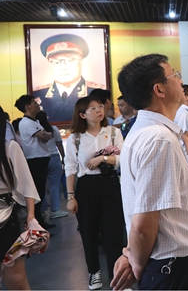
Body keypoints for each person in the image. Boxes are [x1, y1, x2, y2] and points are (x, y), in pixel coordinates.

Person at [110, 54, 188, 291]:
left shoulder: (149, 131)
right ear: (159, 89)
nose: (180, 81)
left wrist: (131, 254)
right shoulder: (158, 138)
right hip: (174, 266)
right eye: (175, 75)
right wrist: (136, 264)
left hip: (171, 263)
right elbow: (144, 223)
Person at [64, 96, 125, 290]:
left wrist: (103, 158)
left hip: (110, 184)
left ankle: (117, 276)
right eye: (93, 108)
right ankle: (94, 272)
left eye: (100, 106)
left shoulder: (113, 132)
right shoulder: (75, 138)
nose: (99, 110)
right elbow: (70, 167)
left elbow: (124, 158)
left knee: (114, 232)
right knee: (89, 231)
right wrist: (71, 197)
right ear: (82, 114)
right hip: (86, 186)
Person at [0, 106, 40, 290]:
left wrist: (31, 217)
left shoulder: (10, 147)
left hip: (7, 218)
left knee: (16, 278)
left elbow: (27, 184)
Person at [33, 34, 102, 122]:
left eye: (70, 60)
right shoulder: (37, 94)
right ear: (49, 64)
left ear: (82, 62)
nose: (63, 67)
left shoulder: (96, 92)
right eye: (56, 62)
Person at [14, 95, 55, 229]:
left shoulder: (34, 121)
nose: (37, 105)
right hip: (35, 160)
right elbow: (45, 137)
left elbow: (46, 135)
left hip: (40, 159)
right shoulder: (27, 123)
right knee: (37, 192)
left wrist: (47, 134)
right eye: (34, 103)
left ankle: (40, 221)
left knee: (41, 192)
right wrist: (47, 134)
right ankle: (36, 222)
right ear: (28, 106)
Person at [36, 111, 67, 220]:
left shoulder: (36, 130)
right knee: (55, 185)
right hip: (54, 157)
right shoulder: (53, 129)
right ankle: (55, 210)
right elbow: (59, 144)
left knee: (41, 185)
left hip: (41, 158)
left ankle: (42, 210)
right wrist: (63, 158)